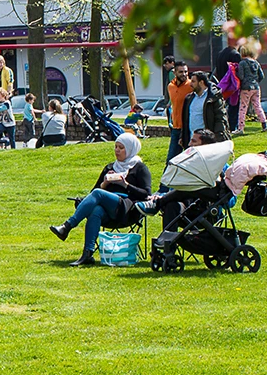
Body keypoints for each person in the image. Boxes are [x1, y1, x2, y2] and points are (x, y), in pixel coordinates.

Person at [47, 133, 151, 266]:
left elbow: (146, 194)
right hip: (107, 211)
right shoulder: (110, 167)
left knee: (98, 194)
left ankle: (67, 226)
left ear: (130, 149)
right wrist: (105, 184)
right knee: (96, 210)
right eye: (115, 147)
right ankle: (87, 254)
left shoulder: (139, 168)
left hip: (127, 209)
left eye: (121, 148)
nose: (117, 150)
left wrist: (125, 185)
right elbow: (93, 194)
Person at [165, 61, 195, 155]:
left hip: (188, 128)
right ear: (174, 73)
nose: (184, 74)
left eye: (186, 72)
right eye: (181, 72)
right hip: (175, 128)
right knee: (171, 159)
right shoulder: (170, 86)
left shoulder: (192, 85)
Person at [236, 47, 267, 133]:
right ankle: (264, 125)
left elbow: (241, 76)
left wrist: (236, 73)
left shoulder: (242, 63)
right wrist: (255, 81)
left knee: (243, 107)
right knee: (257, 106)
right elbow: (261, 76)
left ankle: (240, 128)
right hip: (256, 87)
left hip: (246, 88)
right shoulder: (256, 63)